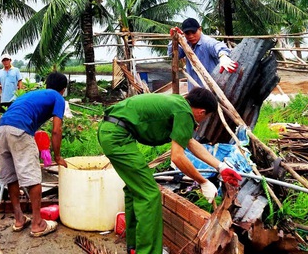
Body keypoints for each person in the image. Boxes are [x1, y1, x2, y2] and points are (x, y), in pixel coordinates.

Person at [97, 88, 242, 254]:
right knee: (149, 194)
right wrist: (203, 182)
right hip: (118, 137)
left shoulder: (179, 103)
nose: (201, 122)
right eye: (206, 117)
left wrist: (221, 167)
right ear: (202, 112)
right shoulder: (184, 112)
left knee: (134, 189)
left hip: (111, 130)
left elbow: (189, 142)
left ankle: (135, 247)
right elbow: (177, 157)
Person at [0, 72, 69, 238]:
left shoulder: (34, 94)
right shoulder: (58, 98)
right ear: (63, 89)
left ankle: (19, 219)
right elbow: (56, 130)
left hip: (1, 130)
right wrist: (57, 157)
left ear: (47, 84)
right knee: (33, 177)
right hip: (20, 130)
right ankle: (37, 223)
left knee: (11, 176)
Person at [168, 17, 238, 86]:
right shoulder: (185, 44)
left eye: (193, 32)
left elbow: (218, 46)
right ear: (183, 33)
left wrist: (223, 57)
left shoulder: (207, 42)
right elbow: (174, 55)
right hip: (194, 88)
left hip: (211, 90)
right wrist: (174, 40)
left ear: (200, 29)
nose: (191, 36)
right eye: (187, 33)